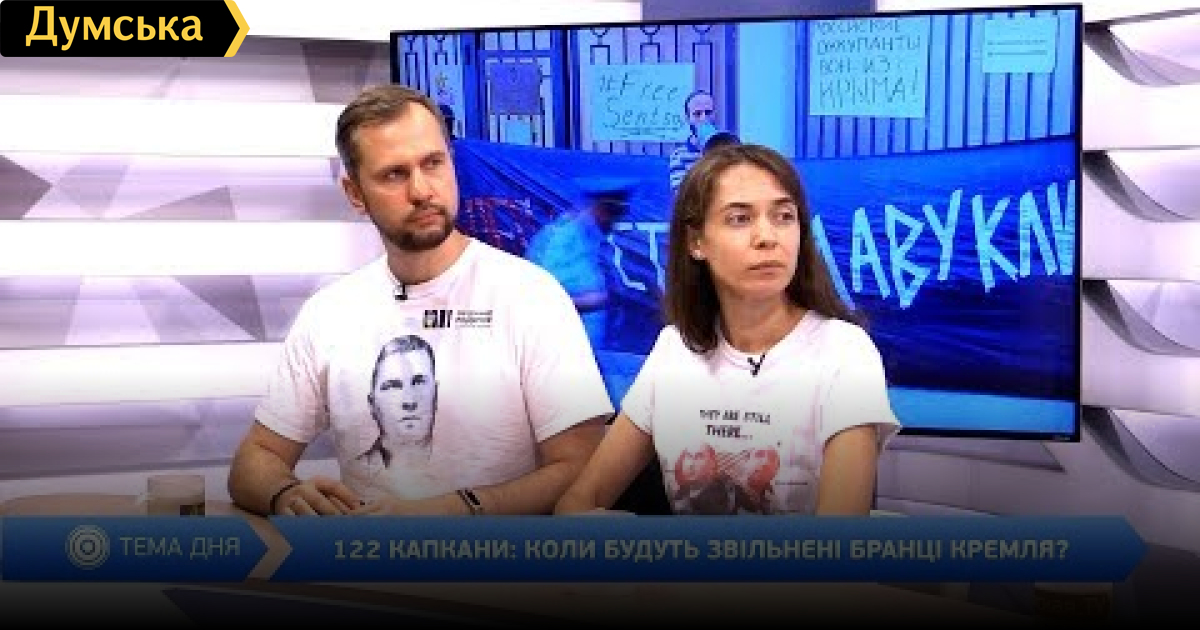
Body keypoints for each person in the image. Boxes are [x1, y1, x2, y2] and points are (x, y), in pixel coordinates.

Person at [228, 84, 613, 517]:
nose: (421, 190)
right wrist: (286, 495)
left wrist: (455, 510)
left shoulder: (530, 297)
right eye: (394, 174)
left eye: (433, 163)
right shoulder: (330, 313)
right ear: (355, 193)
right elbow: (256, 458)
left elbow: (581, 467)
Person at [555, 143, 900, 516]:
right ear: (696, 241)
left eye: (784, 216)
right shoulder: (675, 349)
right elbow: (577, 503)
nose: (767, 237)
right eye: (740, 219)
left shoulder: (844, 352)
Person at [524, 178, 635, 353]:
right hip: (559, 353)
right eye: (614, 213)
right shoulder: (563, 240)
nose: (616, 222)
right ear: (601, 209)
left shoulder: (592, 237)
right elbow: (541, 300)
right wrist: (598, 300)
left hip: (587, 351)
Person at [667, 90, 739, 193]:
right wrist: (705, 155)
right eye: (697, 114)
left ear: (714, 115)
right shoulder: (679, 156)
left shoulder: (728, 145)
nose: (704, 119)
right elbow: (682, 195)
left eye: (708, 113)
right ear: (688, 119)